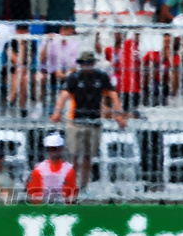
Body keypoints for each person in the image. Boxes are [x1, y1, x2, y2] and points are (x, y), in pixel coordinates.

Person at [50, 51, 127, 191]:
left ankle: (84, 185)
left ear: (93, 64)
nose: (86, 66)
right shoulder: (74, 78)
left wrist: (119, 114)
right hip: (76, 121)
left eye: (89, 63)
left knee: (87, 156)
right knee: (73, 155)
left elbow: (113, 95)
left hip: (94, 121)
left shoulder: (101, 77)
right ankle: (71, 184)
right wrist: (57, 112)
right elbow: (64, 95)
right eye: (84, 64)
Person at [26, 132, 77, 203]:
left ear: (61, 149)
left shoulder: (68, 169)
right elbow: (32, 193)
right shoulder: (39, 169)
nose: (51, 152)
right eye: (49, 149)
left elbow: (72, 194)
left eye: (54, 149)